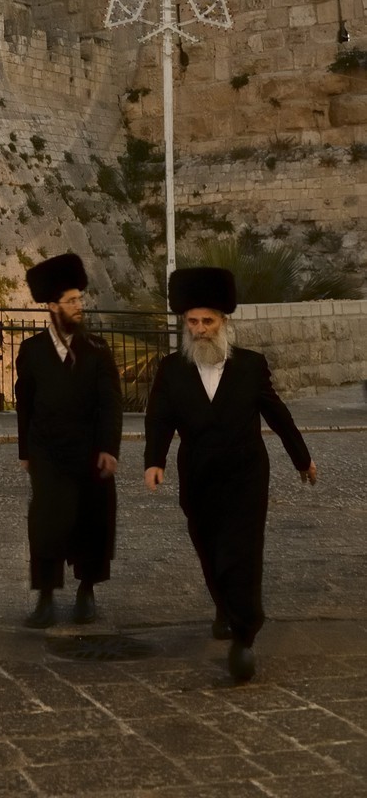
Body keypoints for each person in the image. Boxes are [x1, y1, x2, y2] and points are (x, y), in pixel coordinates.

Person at [144, 266, 317, 683]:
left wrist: (302, 458)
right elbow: (159, 419)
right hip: (198, 475)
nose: (200, 329)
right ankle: (223, 604)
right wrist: (155, 461)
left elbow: (278, 415)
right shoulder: (172, 370)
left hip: (245, 476)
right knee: (208, 547)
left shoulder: (250, 367)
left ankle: (244, 639)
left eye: (208, 321)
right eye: (193, 322)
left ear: (224, 323)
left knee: (241, 553)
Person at [14, 252, 122, 628]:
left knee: (92, 523)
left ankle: (86, 593)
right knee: (46, 523)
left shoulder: (97, 351)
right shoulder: (32, 352)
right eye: (71, 301)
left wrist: (109, 448)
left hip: (90, 453)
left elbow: (111, 404)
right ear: (52, 306)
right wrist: (26, 452)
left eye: (80, 300)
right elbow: (24, 403)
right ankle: (45, 598)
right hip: (48, 453)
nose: (79, 306)